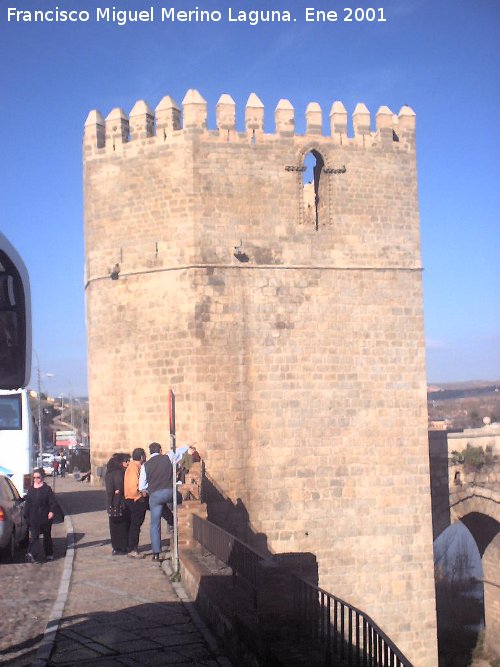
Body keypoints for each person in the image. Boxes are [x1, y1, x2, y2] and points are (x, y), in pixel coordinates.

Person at [139, 442, 173, 561]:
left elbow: (142, 486)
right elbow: (181, 451)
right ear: (160, 450)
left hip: (155, 495)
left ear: (150, 452)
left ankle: (156, 553)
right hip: (170, 491)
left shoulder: (145, 466)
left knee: (155, 524)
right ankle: (175, 524)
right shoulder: (168, 457)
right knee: (180, 500)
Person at [24, 468, 57, 563]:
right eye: (34, 478)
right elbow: (28, 504)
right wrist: (26, 516)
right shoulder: (31, 490)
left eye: (38, 477)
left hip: (45, 516)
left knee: (47, 536)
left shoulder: (47, 489)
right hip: (34, 517)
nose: (36, 479)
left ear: (42, 477)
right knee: (34, 536)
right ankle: (33, 554)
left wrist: (51, 511)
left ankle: (49, 554)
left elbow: (52, 502)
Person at [105, 453, 130, 555]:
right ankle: (123, 546)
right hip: (121, 503)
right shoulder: (120, 473)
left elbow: (110, 491)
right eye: (126, 461)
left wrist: (108, 505)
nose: (127, 463)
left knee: (115, 527)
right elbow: (117, 489)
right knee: (123, 526)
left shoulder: (111, 473)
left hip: (115, 504)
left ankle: (117, 547)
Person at [124, 447, 148, 558]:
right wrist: (140, 495)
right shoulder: (135, 467)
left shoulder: (133, 466)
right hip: (135, 500)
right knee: (135, 525)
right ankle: (132, 548)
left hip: (132, 499)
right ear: (142, 457)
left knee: (134, 525)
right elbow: (134, 486)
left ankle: (131, 546)